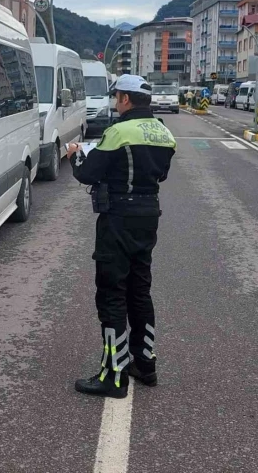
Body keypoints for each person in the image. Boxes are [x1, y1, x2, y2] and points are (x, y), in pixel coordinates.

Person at [66, 75, 176, 399]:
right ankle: (145, 362)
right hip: (148, 218)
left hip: (118, 220)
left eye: (117, 97)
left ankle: (114, 376)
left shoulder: (118, 132)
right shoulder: (164, 133)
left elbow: (88, 172)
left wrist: (75, 154)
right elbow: (161, 174)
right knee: (140, 291)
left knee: (112, 294)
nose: (116, 102)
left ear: (126, 99)